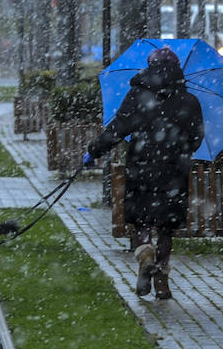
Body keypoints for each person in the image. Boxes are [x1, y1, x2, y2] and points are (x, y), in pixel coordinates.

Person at [82, 46, 204, 300]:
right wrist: (179, 149)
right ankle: (161, 280)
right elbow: (196, 139)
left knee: (141, 221)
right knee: (167, 228)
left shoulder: (138, 96)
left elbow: (118, 128)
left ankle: (145, 253)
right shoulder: (190, 101)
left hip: (141, 168)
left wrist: (94, 150)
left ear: (150, 67)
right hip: (174, 172)